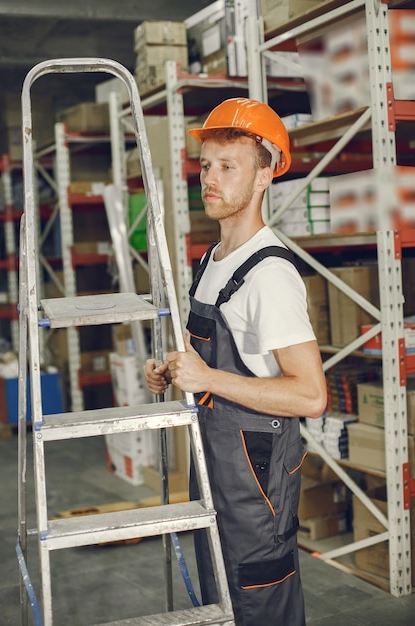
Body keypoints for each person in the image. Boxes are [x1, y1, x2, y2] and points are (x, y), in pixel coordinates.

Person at [143, 97, 327, 625]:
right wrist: (173, 368)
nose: (211, 179)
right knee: (221, 594)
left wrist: (206, 376)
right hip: (217, 461)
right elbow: (207, 358)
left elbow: (310, 395)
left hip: (256, 472)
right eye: (206, 166)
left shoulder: (270, 274)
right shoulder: (214, 259)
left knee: (257, 596)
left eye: (229, 166)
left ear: (265, 174)